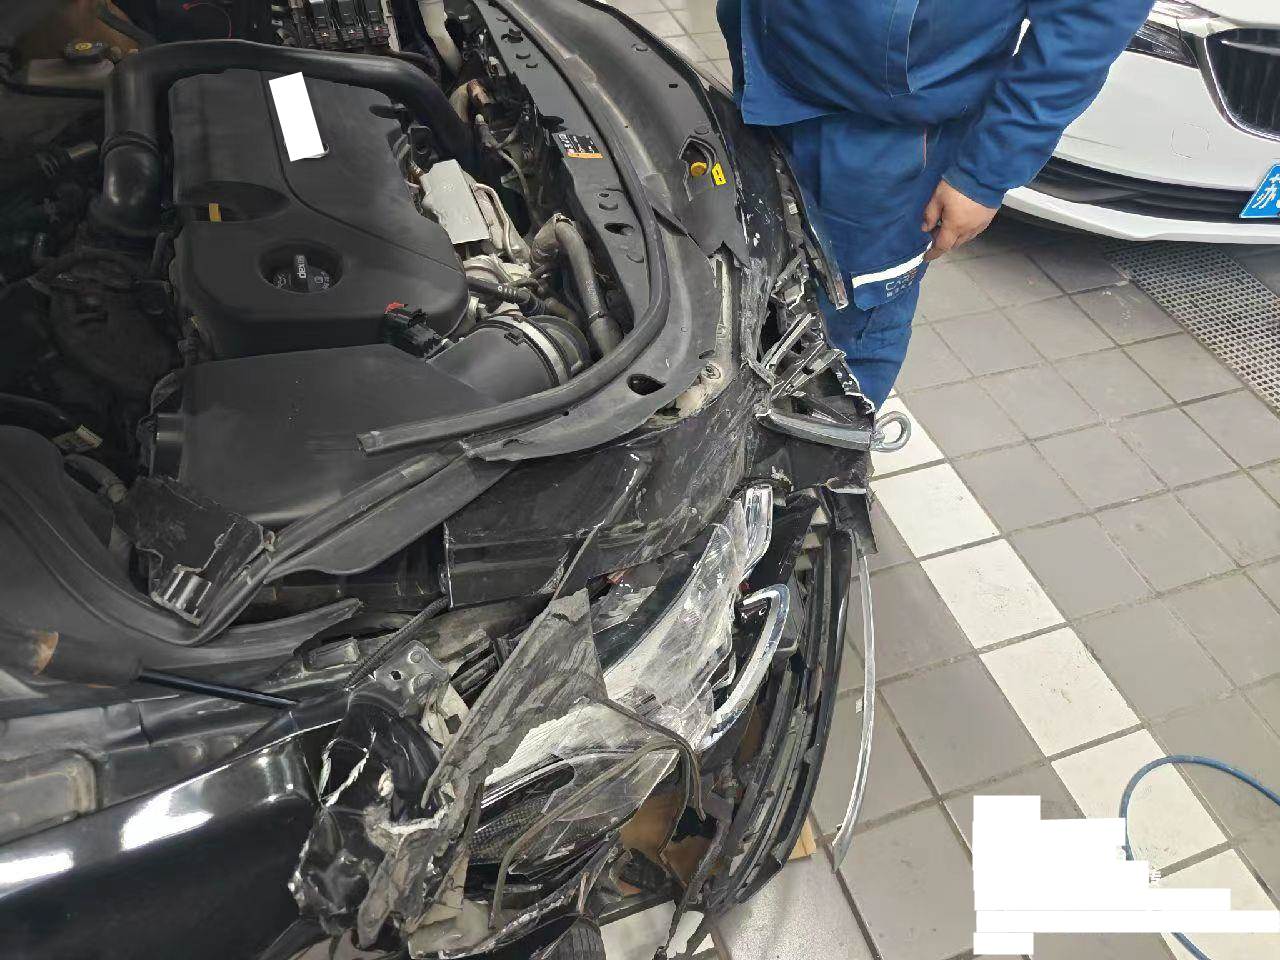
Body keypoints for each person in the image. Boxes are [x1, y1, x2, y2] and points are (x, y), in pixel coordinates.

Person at [717, 0, 1154, 408]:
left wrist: (985, 171)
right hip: (768, 74)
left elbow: (1091, 18)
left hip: (884, 139)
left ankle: (826, 452)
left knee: (849, 332)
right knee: (750, 277)